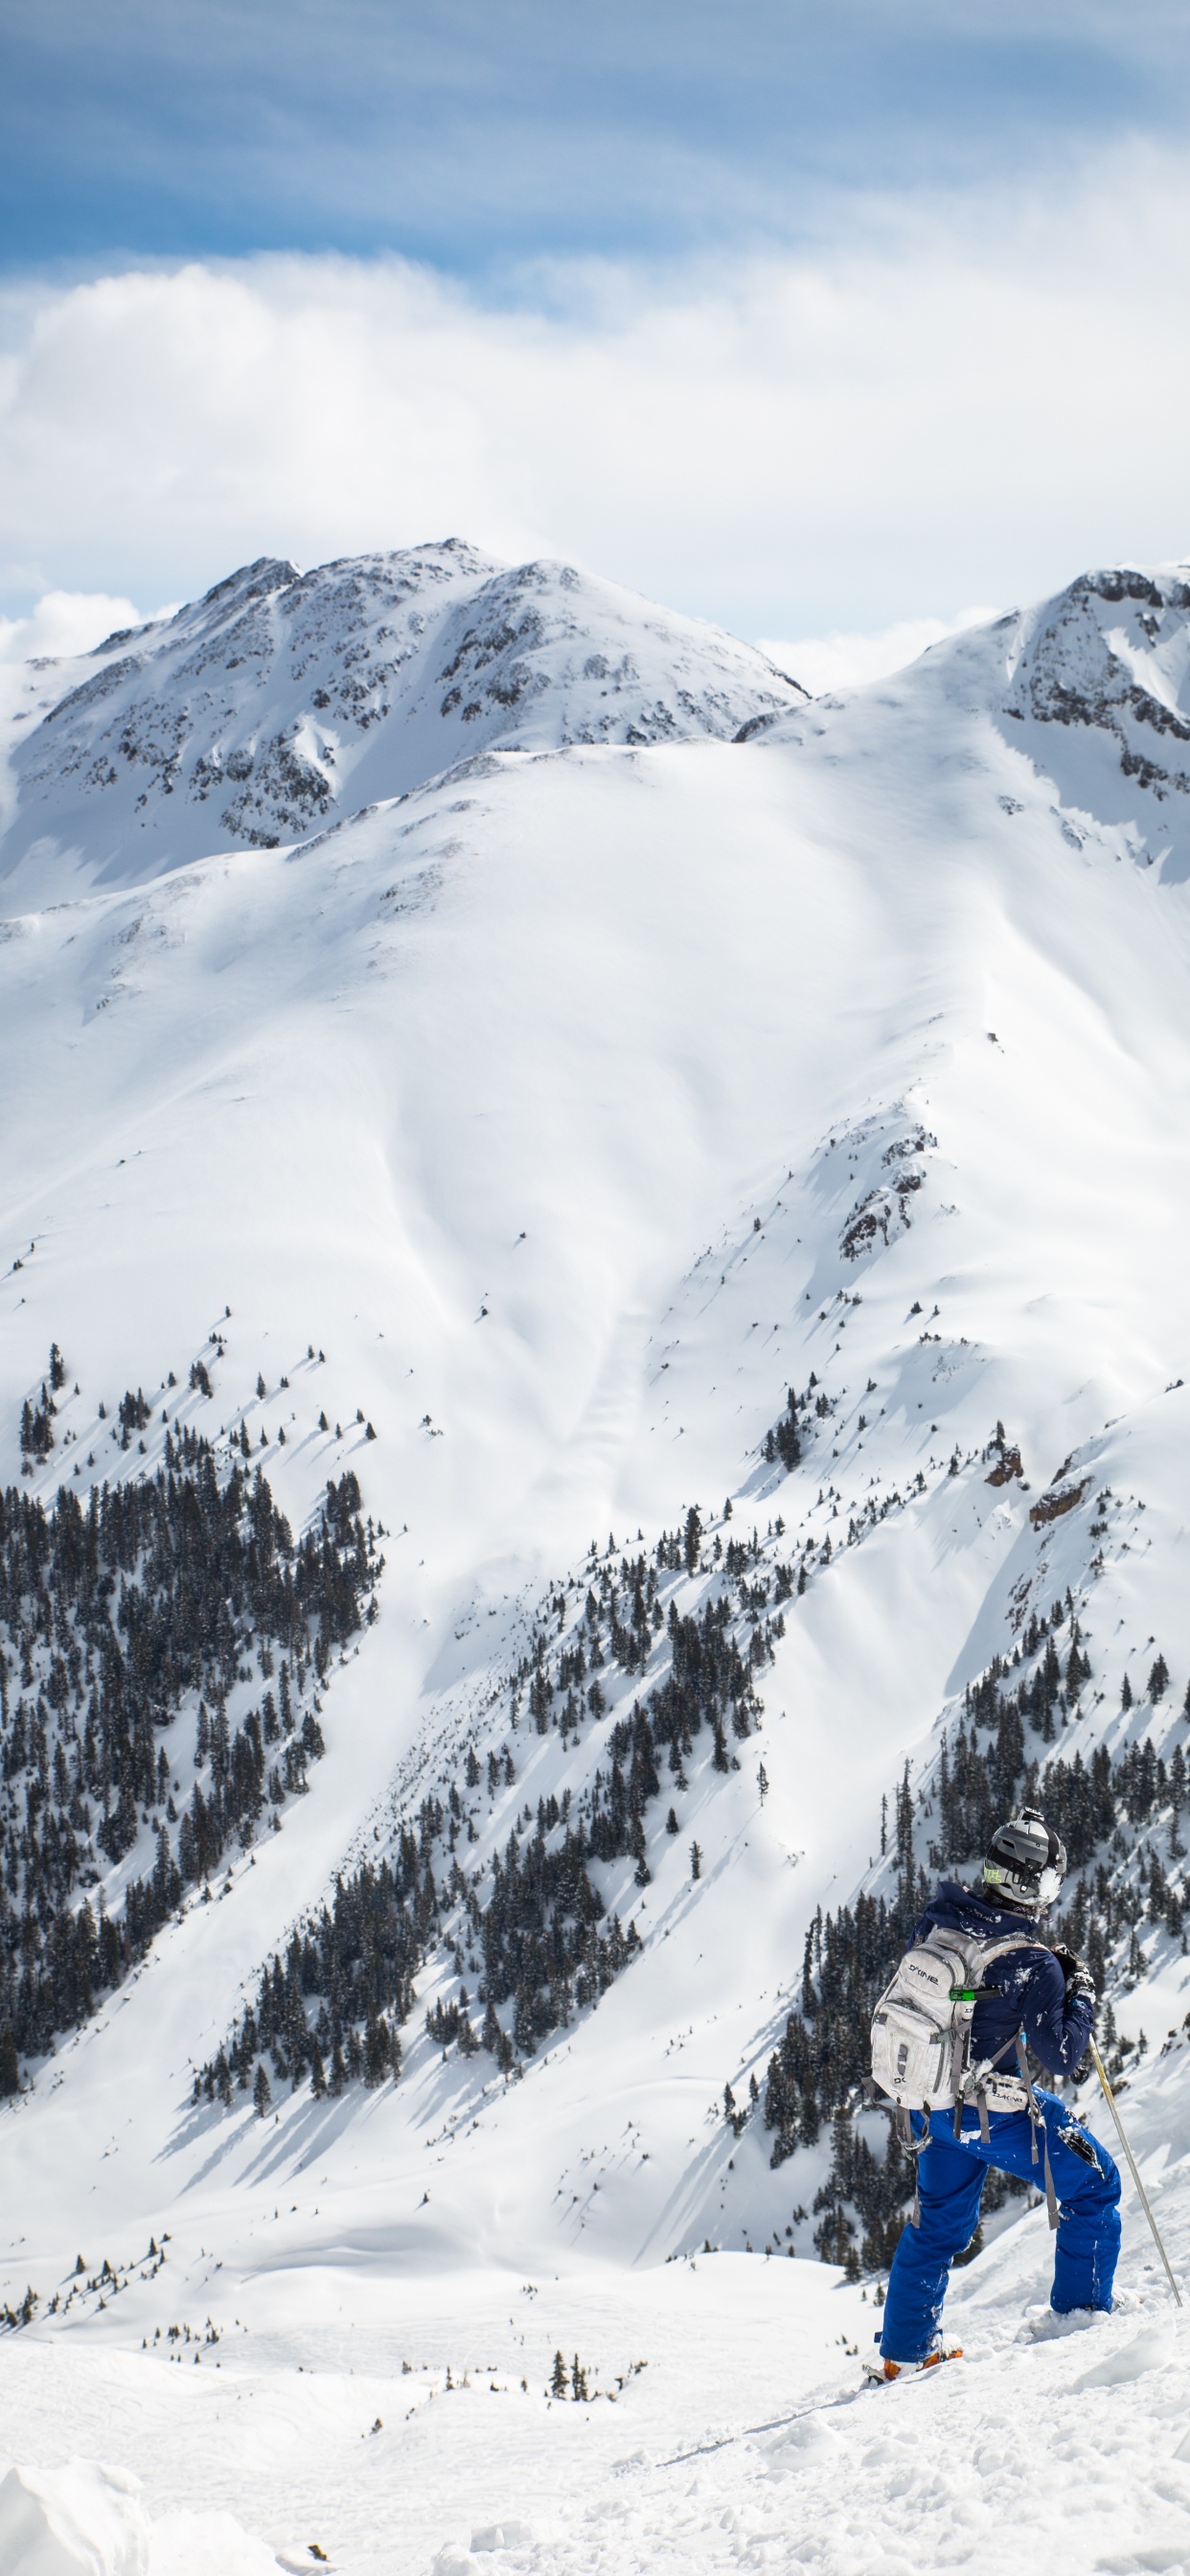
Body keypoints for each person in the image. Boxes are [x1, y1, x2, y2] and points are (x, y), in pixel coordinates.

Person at [872, 1806, 1120, 2380]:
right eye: (1051, 1882)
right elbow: (1062, 2056)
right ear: (1033, 1885)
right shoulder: (1032, 1963)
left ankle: (904, 2356)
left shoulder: (936, 1924)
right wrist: (1080, 1994)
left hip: (929, 2108)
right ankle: (1080, 2320)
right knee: (1095, 2184)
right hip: (993, 2114)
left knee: (937, 2229)